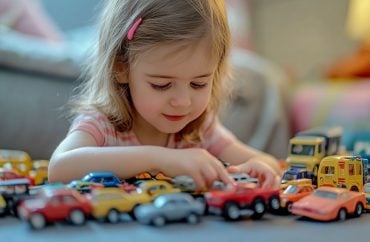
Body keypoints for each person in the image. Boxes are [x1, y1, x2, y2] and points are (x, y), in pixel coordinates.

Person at [49, 0, 281, 190]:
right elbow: (59, 168)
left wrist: (244, 170)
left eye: (198, 84)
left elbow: (267, 161)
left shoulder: (201, 130)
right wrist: (160, 159)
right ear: (121, 68)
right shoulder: (102, 124)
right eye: (162, 85)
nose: (182, 102)